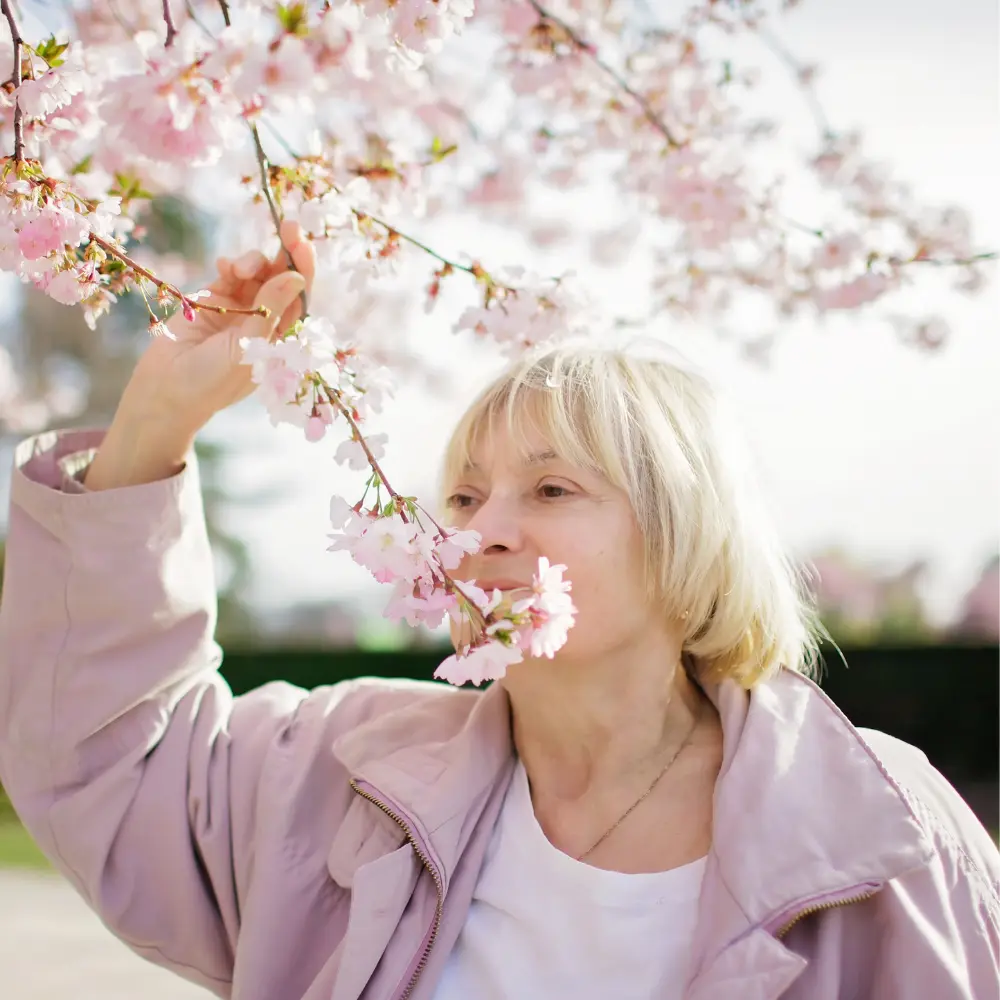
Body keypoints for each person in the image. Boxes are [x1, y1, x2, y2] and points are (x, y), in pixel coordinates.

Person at [0, 221, 996, 1000]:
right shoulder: (340, 773)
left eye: (552, 489)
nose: (484, 531)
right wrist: (156, 419)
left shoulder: (880, 832)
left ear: (686, 534)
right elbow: (100, 758)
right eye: (466, 498)